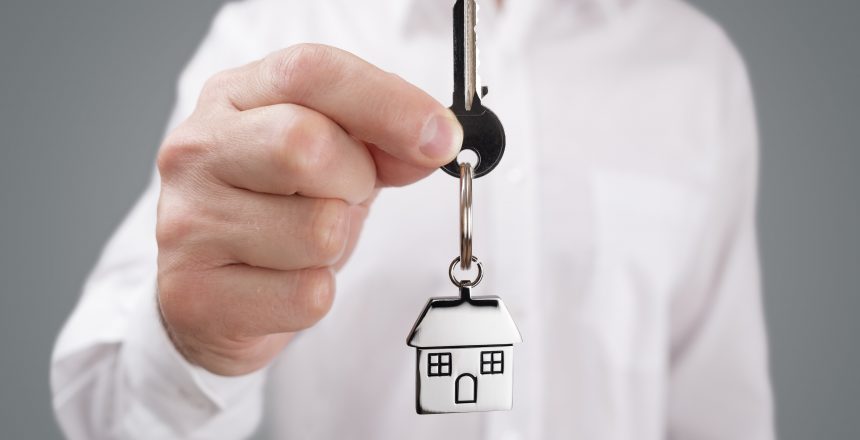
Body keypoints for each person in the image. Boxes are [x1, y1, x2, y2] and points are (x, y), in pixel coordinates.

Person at [50, 0, 775, 438]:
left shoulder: (695, 67)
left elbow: (722, 413)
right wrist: (198, 343)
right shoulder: (277, 30)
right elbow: (110, 414)